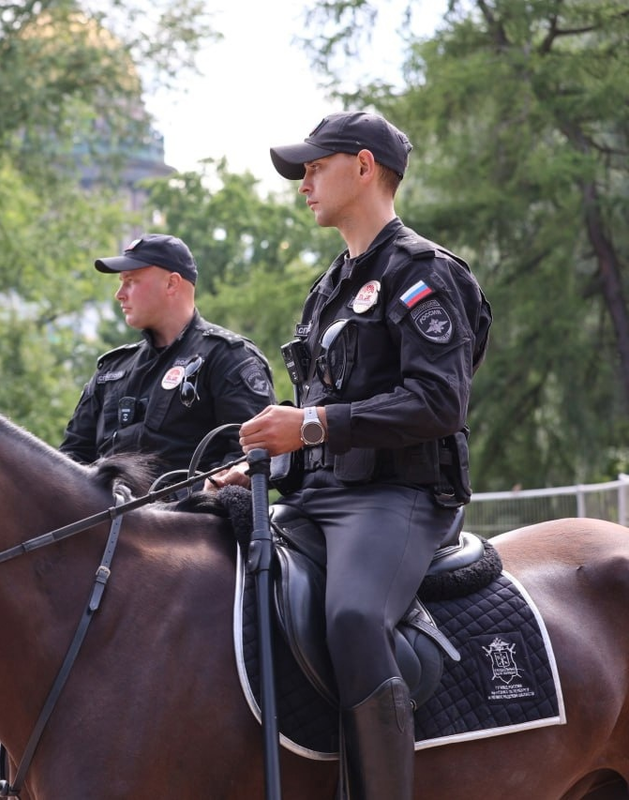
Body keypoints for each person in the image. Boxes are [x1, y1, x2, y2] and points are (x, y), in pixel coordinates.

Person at [208, 111, 491, 798]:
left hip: (402, 498)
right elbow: (321, 423)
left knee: (354, 618)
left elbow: (437, 403)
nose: (304, 182)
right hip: (320, 498)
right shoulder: (330, 288)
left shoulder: (425, 274)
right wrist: (263, 467)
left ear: (364, 168)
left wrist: (305, 425)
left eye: (315, 166)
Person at [60, 233, 275, 480]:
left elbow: (255, 456)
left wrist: (224, 481)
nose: (120, 293)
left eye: (131, 281)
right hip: (109, 516)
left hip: (190, 515)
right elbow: (70, 461)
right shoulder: (111, 370)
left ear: (172, 283)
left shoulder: (227, 357)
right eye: (121, 282)